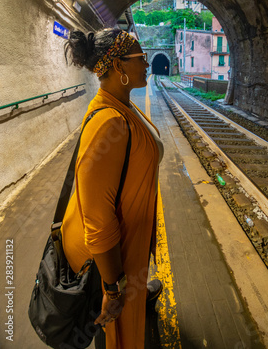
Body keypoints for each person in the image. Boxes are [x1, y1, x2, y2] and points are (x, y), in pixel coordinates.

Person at [61, 28, 164, 349]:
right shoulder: (109, 122)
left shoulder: (123, 107)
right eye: (140, 58)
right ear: (119, 66)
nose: (147, 63)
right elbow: (98, 216)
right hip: (110, 256)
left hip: (127, 247)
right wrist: (111, 288)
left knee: (126, 324)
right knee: (117, 331)